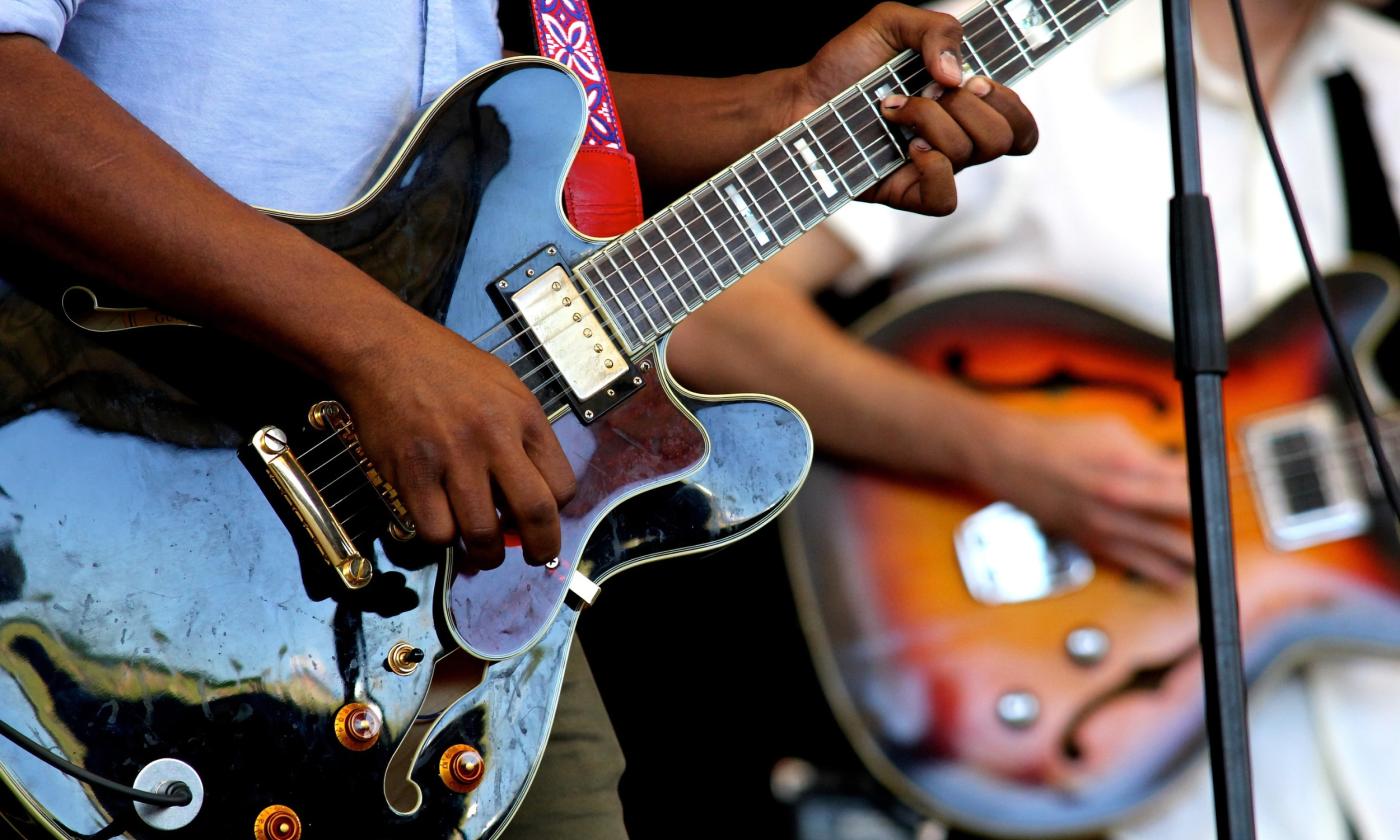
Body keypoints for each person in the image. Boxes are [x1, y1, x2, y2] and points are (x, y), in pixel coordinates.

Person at [0, 1, 1039, 836]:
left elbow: (443, 115)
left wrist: (777, 108)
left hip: (431, 566)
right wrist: (380, 346)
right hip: (111, 475)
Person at [666, 0, 1400, 836]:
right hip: (1087, 758)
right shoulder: (1013, 35)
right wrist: (1006, 453)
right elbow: (705, 311)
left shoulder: (1387, 80)